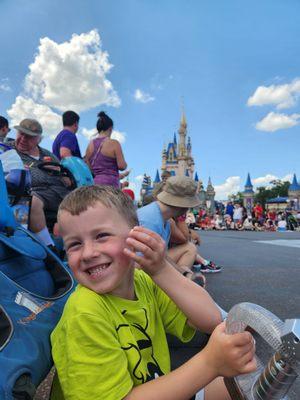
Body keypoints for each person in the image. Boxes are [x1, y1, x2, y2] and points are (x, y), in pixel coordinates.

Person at [50, 185, 256, 400]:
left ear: (137, 234)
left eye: (101, 236)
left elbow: (210, 319)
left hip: (155, 388)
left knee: (251, 384)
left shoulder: (143, 282)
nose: (88, 253)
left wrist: (161, 269)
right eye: (74, 244)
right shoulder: (84, 313)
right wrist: (209, 363)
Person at [11, 118, 71, 248]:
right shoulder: (8, 150)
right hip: (29, 192)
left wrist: (62, 175)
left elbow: (66, 178)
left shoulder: (47, 154)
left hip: (59, 193)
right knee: (29, 201)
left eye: (29, 137)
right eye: (21, 134)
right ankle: (49, 249)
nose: (23, 139)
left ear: (39, 139)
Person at [84, 111, 127, 187]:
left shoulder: (90, 145)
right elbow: (122, 166)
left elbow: (88, 167)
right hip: (111, 185)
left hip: (94, 184)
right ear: (110, 128)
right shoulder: (114, 143)